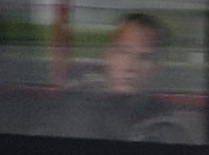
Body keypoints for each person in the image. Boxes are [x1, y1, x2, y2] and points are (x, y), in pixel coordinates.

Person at [58, 12, 195, 142]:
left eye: (144, 57)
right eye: (123, 52)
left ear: (157, 67)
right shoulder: (78, 102)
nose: (130, 67)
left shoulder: (167, 123)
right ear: (108, 56)